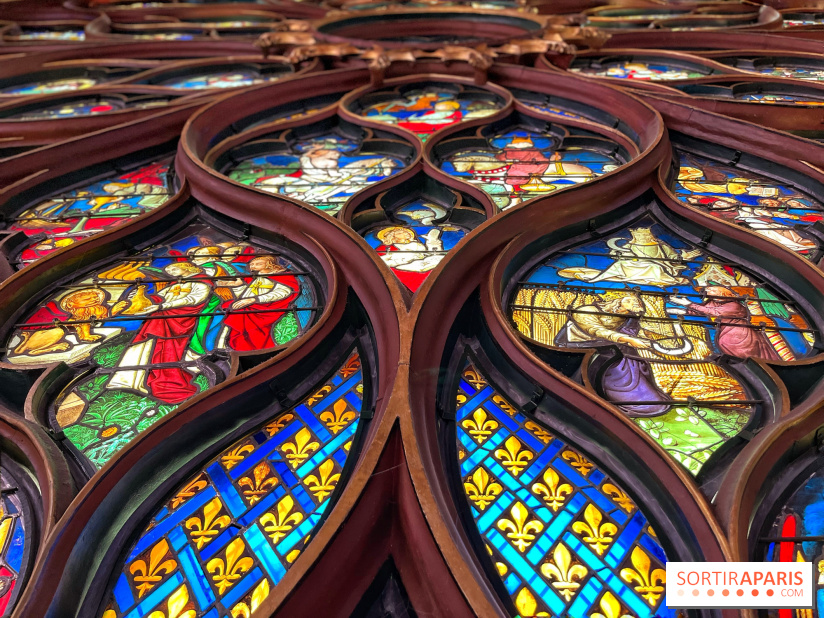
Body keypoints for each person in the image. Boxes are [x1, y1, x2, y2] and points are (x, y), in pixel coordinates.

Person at [108, 262, 212, 404]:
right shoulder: (175, 284)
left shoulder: (201, 283)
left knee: (169, 352)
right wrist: (141, 297)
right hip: (161, 319)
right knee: (151, 349)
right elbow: (159, 298)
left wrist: (162, 306)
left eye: (174, 268)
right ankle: (131, 381)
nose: (171, 271)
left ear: (189, 268)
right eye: (169, 269)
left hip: (179, 322)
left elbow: (194, 299)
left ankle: (169, 382)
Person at [556, 293, 669, 415]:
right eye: (630, 301)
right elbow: (596, 330)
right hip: (580, 347)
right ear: (616, 300)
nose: (636, 303)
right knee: (618, 361)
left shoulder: (628, 318)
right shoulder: (585, 310)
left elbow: (634, 331)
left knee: (633, 360)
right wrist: (627, 339)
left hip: (612, 347)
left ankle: (648, 400)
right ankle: (621, 399)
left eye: (637, 304)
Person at [668, 286, 781, 361]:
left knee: (745, 353)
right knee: (725, 344)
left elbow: (713, 312)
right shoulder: (713, 302)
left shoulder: (734, 305)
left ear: (721, 292)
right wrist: (681, 311)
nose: (706, 292)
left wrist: (688, 303)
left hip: (741, 333)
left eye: (711, 290)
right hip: (725, 331)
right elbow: (702, 311)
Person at [221, 256, 301, 350]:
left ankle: (260, 350)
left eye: (258, 264)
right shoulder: (259, 276)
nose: (253, 266)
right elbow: (252, 289)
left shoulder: (281, 276)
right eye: (252, 264)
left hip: (266, 310)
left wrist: (254, 299)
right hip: (251, 307)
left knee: (257, 333)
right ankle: (240, 348)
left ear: (269, 264)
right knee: (237, 323)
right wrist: (235, 285)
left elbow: (283, 292)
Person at [373, 226, 445, 290]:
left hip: (423, 264)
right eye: (400, 233)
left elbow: (428, 253)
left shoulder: (416, 244)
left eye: (406, 231)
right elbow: (380, 265)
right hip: (403, 273)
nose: (406, 232)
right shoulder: (385, 248)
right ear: (392, 236)